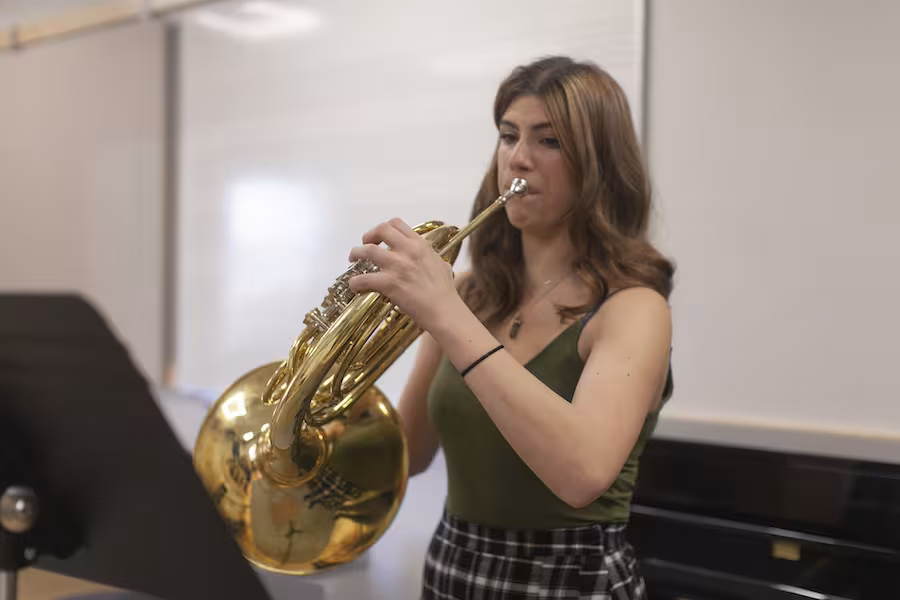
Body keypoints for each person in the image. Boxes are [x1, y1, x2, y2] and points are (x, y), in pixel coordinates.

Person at [348, 56, 675, 599]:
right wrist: (308, 419)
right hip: (456, 563)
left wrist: (446, 314)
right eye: (508, 136)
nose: (518, 159)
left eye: (549, 142)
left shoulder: (634, 307)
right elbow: (408, 453)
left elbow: (582, 473)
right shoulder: (469, 295)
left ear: (597, 164)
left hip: (572, 576)